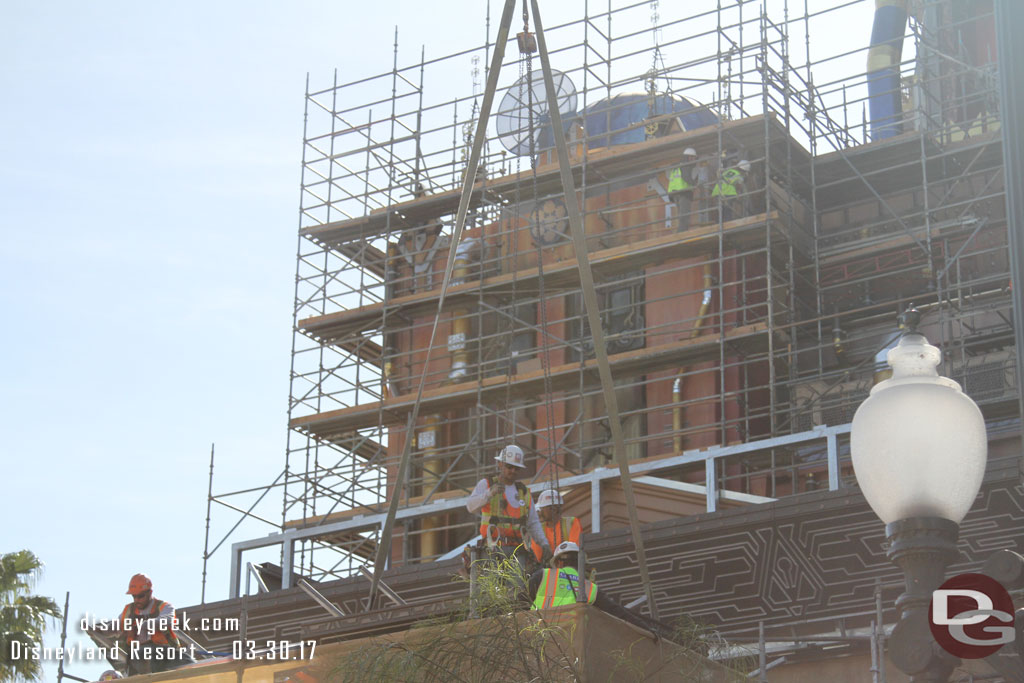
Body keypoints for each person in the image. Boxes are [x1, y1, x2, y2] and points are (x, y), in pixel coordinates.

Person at [525, 542, 675, 639]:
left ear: (557, 563)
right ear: (581, 563)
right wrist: (649, 630)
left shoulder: (542, 575)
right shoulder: (590, 588)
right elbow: (619, 613)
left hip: (538, 636)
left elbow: (518, 603)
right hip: (572, 642)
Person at [466, 444, 552, 566]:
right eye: (509, 466)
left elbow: (533, 522)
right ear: (500, 464)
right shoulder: (487, 484)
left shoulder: (523, 492)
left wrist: (544, 544)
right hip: (493, 548)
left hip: (517, 550)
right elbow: (470, 507)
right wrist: (489, 493)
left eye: (516, 468)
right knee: (492, 584)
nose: (513, 471)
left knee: (517, 585)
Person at [115, 574, 191, 675]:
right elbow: (115, 627)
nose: (137, 599)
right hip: (141, 656)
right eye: (134, 596)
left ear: (150, 592)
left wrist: (145, 625)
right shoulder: (128, 611)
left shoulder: (164, 606)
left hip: (167, 652)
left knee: (188, 663)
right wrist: (98, 630)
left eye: (140, 596)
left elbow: (168, 619)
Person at [530, 489, 582, 563]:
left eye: (542, 509)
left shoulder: (571, 523)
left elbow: (574, 551)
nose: (540, 513)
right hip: (550, 569)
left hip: (570, 566)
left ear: (553, 509)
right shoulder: (539, 529)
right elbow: (537, 557)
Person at [666, 147, 698, 230]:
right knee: (684, 215)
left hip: (674, 193)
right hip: (683, 193)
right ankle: (682, 233)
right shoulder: (686, 165)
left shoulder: (677, 166)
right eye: (693, 157)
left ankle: (681, 231)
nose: (694, 159)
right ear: (689, 157)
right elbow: (686, 177)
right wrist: (695, 184)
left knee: (681, 214)